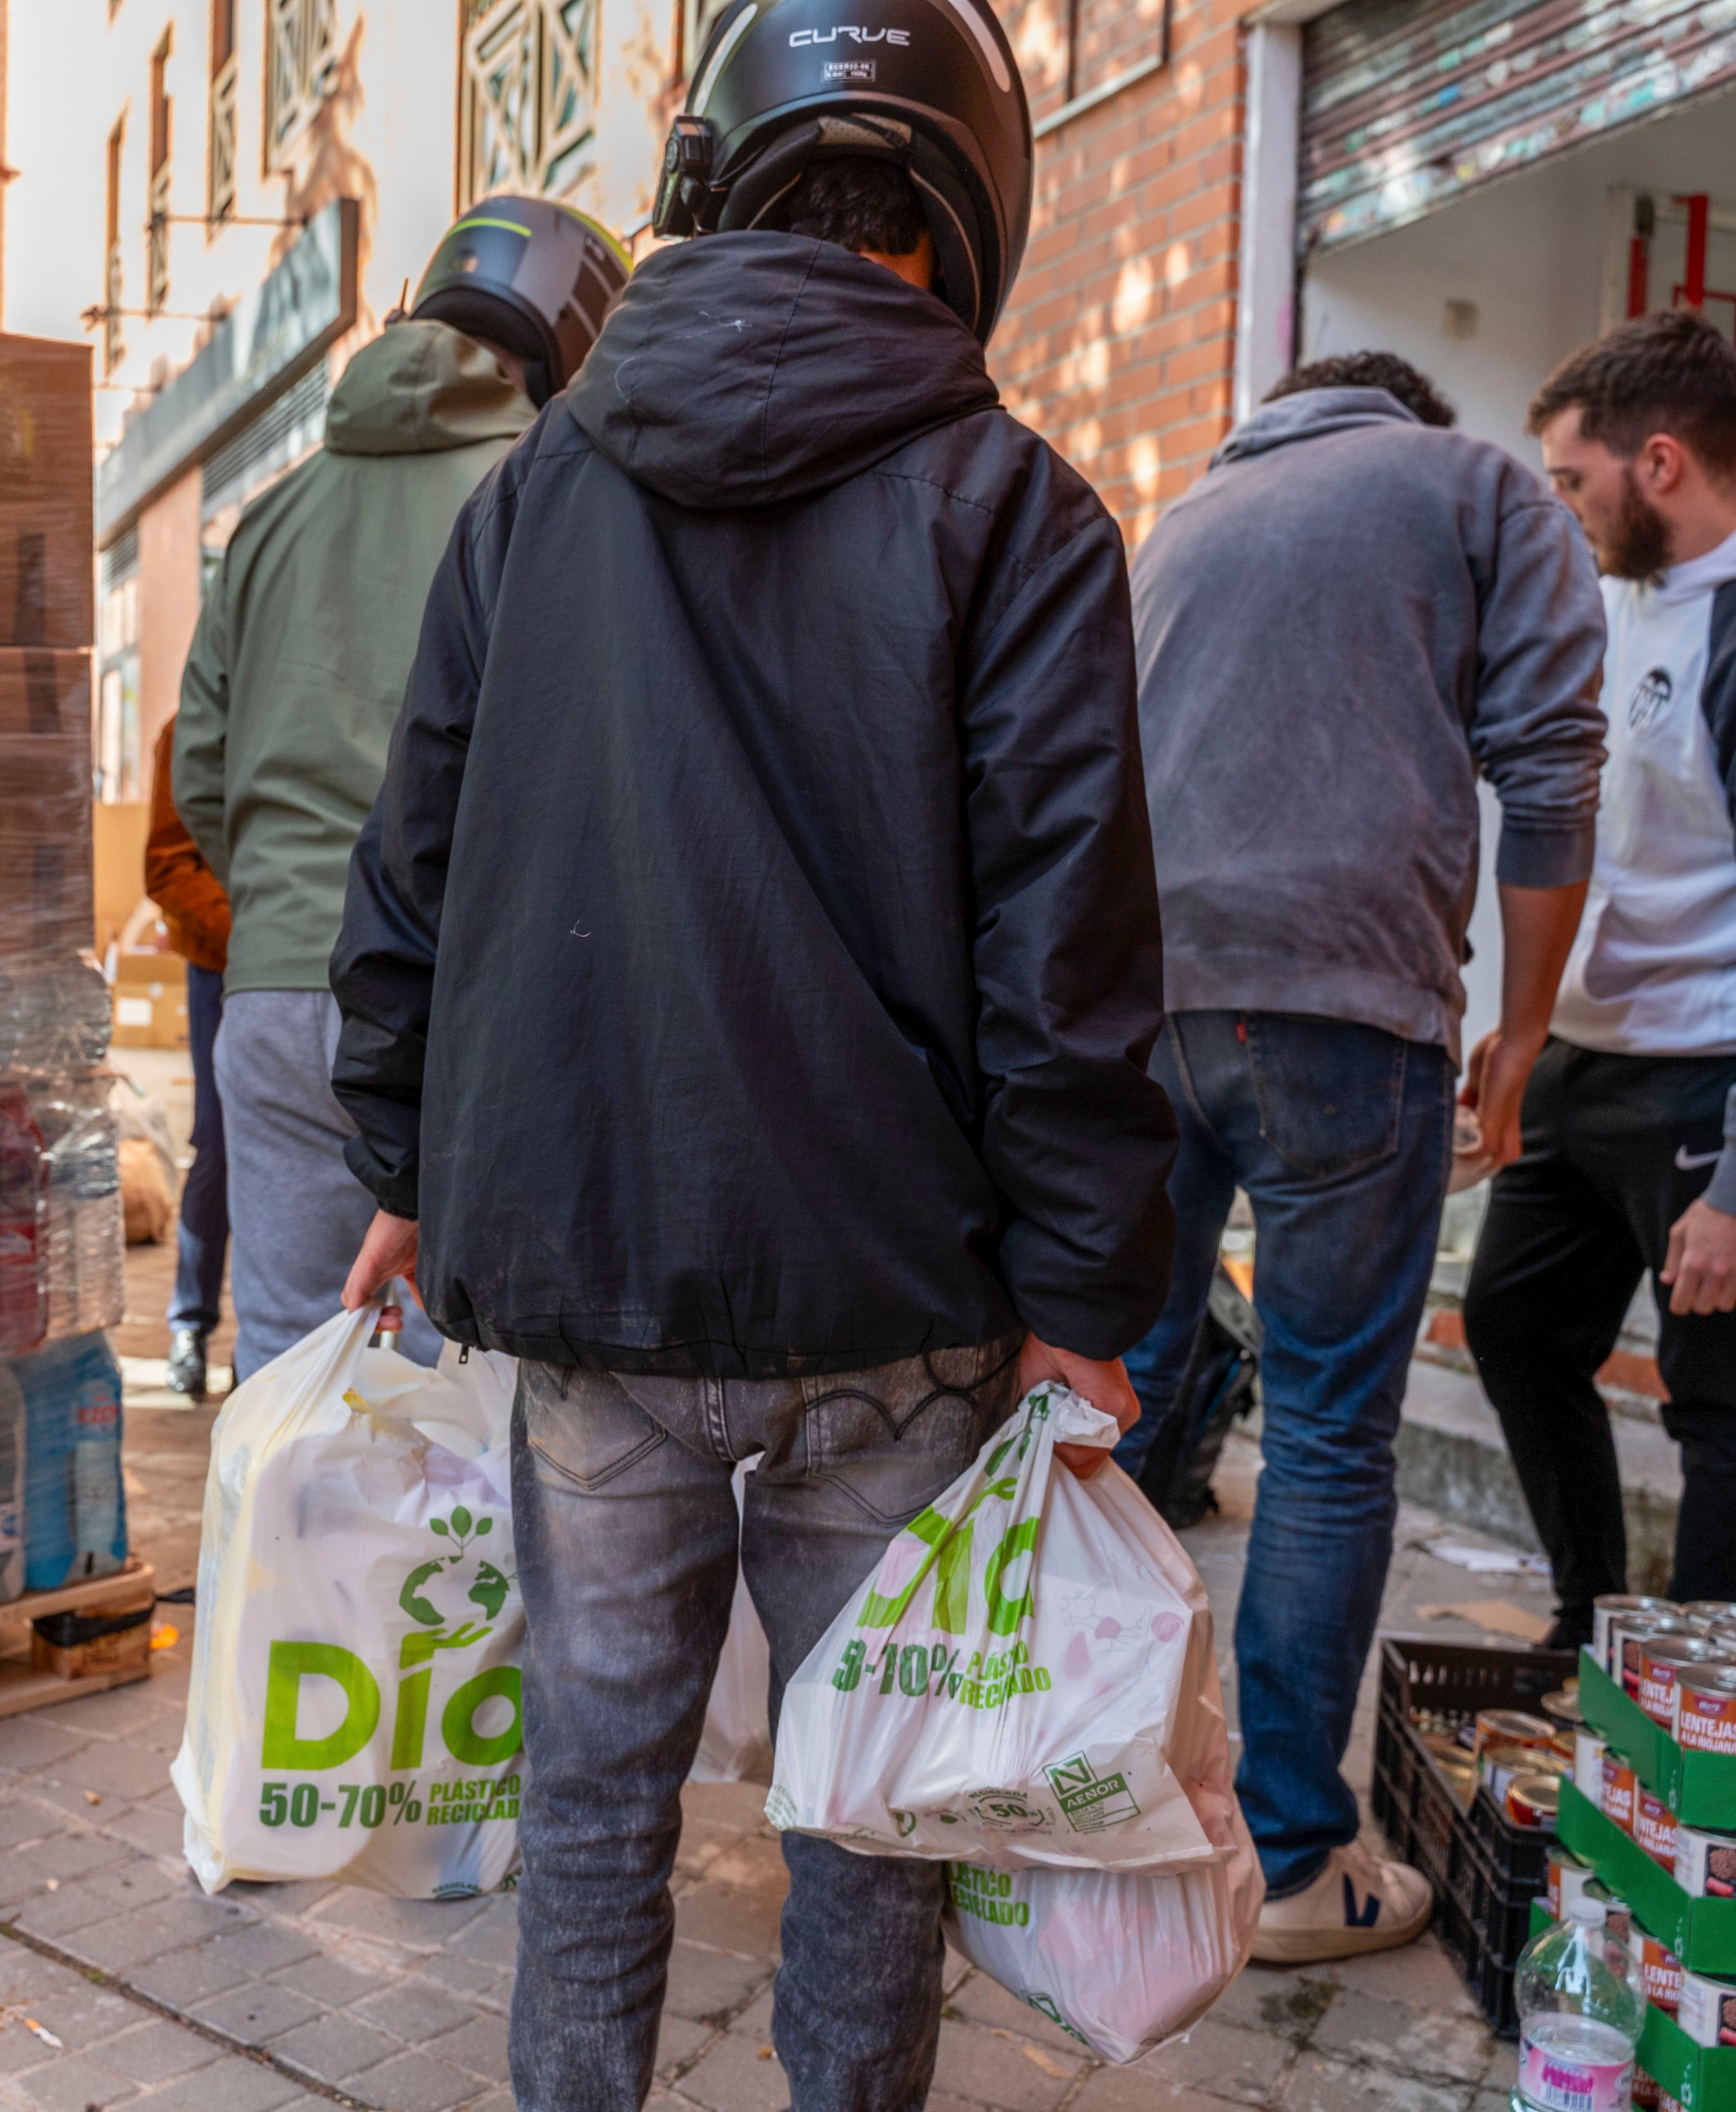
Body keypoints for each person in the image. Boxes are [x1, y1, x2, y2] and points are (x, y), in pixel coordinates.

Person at [328, 10, 1174, 2105]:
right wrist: (1083, 1290)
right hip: (894, 1306)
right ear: (969, 210)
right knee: (869, 1820)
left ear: (716, 179)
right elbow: (1065, 946)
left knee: (592, 1799)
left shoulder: (534, 501)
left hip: (588, 1287)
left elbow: (409, 862)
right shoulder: (1021, 508)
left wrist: (398, 1162)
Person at [1115, 349, 1608, 1961]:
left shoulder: (1179, 519)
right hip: (1339, 1011)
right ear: (1412, 413)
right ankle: (1289, 1863)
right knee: (1325, 1443)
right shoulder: (1475, 490)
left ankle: (1082, 1797)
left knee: (1109, 1410)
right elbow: (1547, 765)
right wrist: (1522, 1031)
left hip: (1139, 1018)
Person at [1465, 309, 1736, 1644]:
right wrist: (1526, 1033)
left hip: (1708, 1072)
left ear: (1656, 463)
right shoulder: (1646, 581)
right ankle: (1592, 1628)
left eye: (1572, 478)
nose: (1562, 506)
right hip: (1596, 1054)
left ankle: (1693, 1692)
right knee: (1515, 1326)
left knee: (1718, 1401)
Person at [171, 196, 626, 1383]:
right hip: (465, 1000)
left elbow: (201, 776)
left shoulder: (264, 520)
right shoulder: (556, 498)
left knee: (288, 1363)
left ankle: (279, 1578)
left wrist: (283, 904)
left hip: (270, 997)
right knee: (469, 1378)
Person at [143, 718, 232, 1398]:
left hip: (324, 957)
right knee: (220, 1144)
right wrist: (248, 930)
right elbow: (168, 865)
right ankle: (190, 1326)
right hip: (227, 960)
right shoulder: (191, 730)